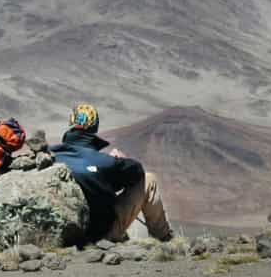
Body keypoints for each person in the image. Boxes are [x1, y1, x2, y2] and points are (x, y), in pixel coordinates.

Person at [44, 103, 175, 243]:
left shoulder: (50, 156)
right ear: (95, 127)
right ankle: (164, 239)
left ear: (71, 123)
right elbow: (137, 171)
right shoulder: (105, 162)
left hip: (60, 234)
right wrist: (119, 160)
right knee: (149, 180)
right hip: (99, 237)